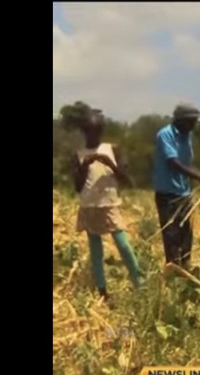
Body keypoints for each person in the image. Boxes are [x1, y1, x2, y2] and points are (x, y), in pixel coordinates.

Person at [71, 110, 143, 299]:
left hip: (109, 204)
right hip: (89, 205)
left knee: (123, 245)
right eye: (89, 132)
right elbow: (78, 187)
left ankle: (140, 285)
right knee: (96, 250)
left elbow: (126, 179)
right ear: (84, 132)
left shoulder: (113, 149)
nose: (92, 136)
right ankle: (103, 292)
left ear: (101, 132)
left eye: (96, 132)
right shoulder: (78, 155)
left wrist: (109, 163)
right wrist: (84, 166)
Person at [153, 103, 200, 269]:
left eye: (195, 121)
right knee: (172, 236)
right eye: (191, 121)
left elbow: (187, 164)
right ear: (180, 120)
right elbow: (173, 162)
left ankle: (185, 270)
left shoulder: (187, 136)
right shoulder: (165, 135)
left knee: (186, 237)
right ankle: (173, 273)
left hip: (184, 194)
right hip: (168, 195)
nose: (194, 125)